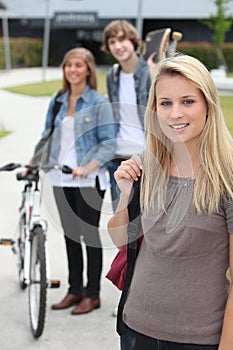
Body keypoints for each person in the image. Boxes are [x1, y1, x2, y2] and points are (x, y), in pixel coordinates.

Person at [107, 54, 233, 349]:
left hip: (198, 340)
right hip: (134, 330)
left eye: (187, 101)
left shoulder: (226, 179)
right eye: (166, 103)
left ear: (208, 106)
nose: (175, 114)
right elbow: (120, 240)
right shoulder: (145, 166)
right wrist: (126, 193)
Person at [29, 47, 116, 315]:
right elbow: (47, 135)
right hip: (60, 175)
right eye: (69, 65)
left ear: (88, 69)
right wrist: (33, 163)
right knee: (70, 236)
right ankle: (74, 289)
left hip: (89, 179)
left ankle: (92, 294)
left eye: (78, 65)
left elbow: (109, 143)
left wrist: (87, 167)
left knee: (88, 235)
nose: (73, 70)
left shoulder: (98, 102)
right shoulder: (57, 100)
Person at [101, 19, 162, 212]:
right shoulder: (112, 75)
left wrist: (156, 77)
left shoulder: (152, 70)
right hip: (118, 160)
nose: (118, 46)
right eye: (112, 42)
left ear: (133, 41)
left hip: (147, 160)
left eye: (122, 39)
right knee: (122, 227)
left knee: (150, 226)